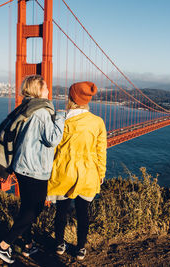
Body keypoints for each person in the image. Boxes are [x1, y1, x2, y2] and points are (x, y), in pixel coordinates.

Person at [0, 75, 66, 264]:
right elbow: (52, 139)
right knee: (35, 208)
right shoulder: (41, 112)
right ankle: (3, 246)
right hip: (35, 167)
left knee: (27, 207)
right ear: (38, 90)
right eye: (46, 87)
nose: (49, 90)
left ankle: (27, 245)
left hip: (21, 165)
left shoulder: (27, 107)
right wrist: (61, 116)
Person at [47, 81, 107, 261]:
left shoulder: (60, 118)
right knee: (83, 213)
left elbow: (51, 148)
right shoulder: (97, 122)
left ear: (70, 98)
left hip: (63, 172)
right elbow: (100, 151)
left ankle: (59, 244)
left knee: (61, 212)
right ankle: (80, 248)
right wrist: (101, 173)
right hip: (88, 174)